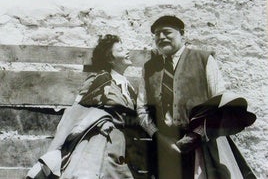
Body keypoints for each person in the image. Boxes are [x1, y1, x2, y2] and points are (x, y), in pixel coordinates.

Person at [137, 15, 256, 179]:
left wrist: (195, 136)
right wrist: (159, 137)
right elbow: (142, 109)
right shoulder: (149, 68)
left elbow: (220, 102)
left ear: (182, 34)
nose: (161, 37)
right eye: (157, 34)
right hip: (164, 146)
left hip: (202, 143)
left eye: (166, 32)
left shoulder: (204, 60)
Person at [27, 34, 136, 179]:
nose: (127, 51)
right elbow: (76, 109)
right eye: (121, 50)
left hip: (121, 144)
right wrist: (55, 150)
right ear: (111, 59)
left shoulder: (129, 88)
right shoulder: (100, 79)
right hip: (100, 140)